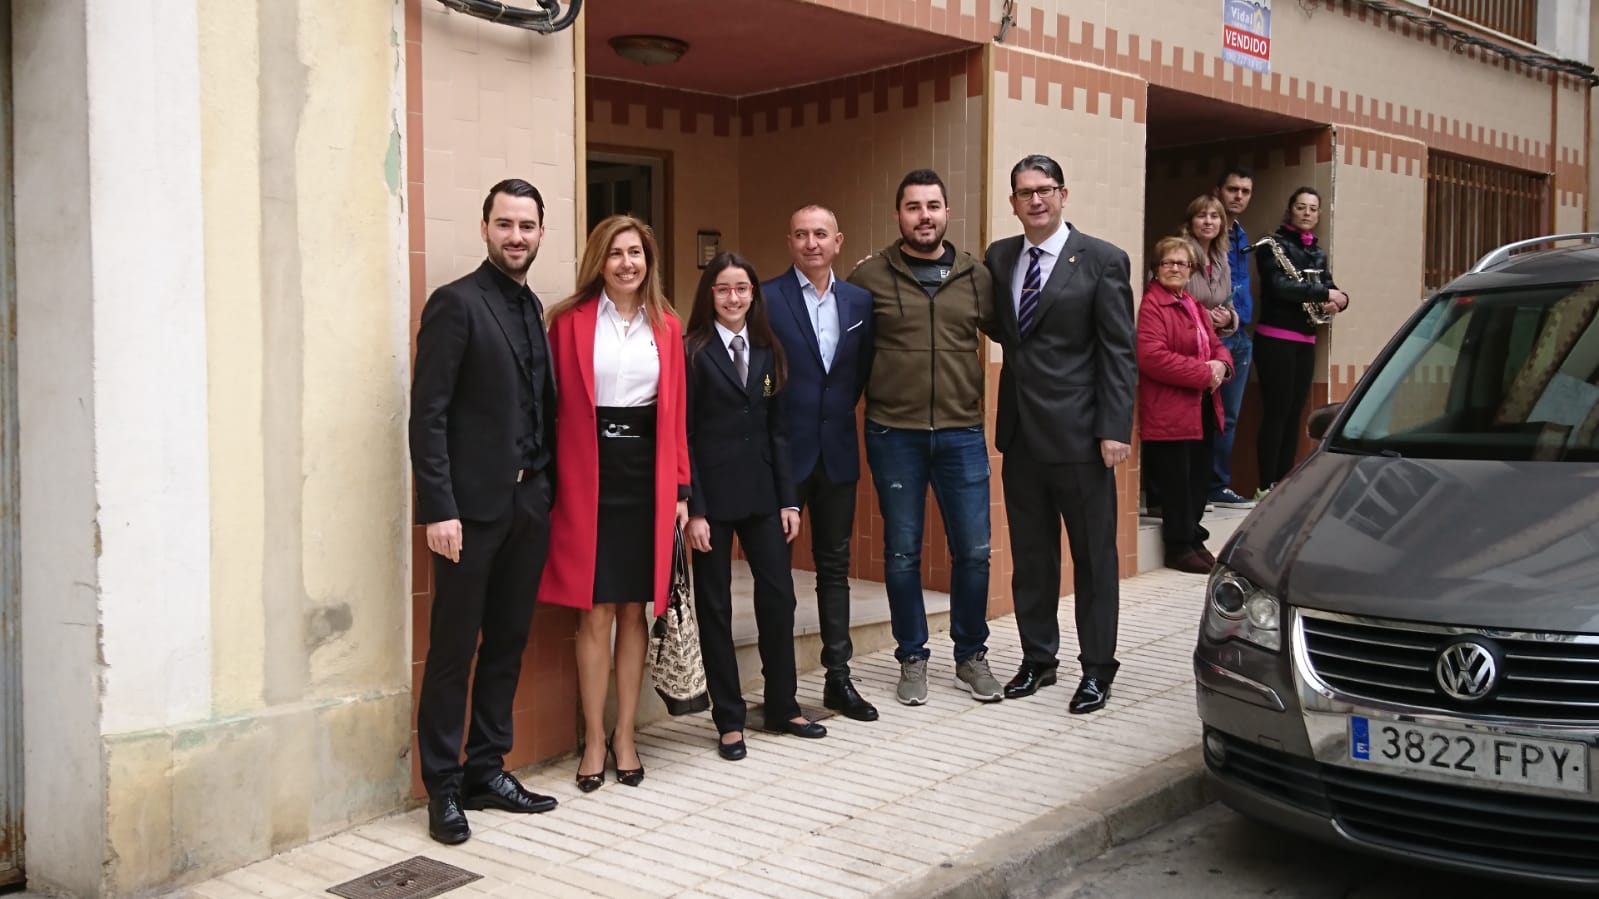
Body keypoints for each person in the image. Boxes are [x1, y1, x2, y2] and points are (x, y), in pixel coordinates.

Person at [409, 179, 561, 845]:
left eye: (527, 225)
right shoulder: (456, 303)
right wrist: (438, 509)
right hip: (467, 516)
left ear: (541, 232)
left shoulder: (534, 309)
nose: (516, 236)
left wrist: (545, 489)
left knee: (506, 642)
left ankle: (486, 769)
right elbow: (428, 415)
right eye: (505, 224)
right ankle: (443, 786)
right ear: (484, 228)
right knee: (453, 650)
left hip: (528, 504)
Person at [539, 214, 690, 793]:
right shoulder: (568, 322)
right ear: (598, 262)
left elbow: (676, 416)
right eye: (616, 253)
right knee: (595, 610)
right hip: (588, 475)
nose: (628, 263)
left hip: (646, 477)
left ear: (649, 262)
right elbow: (550, 410)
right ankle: (595, 739)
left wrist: (681, 490)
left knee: (634, 609)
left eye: (636, 253)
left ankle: (626, 735)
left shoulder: (667, 327)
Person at [982, 154, 1135, 715]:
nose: (1036, 200)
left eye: (1045, 190)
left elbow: (1119, 351)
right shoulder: (1000, 257)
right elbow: (994, 322)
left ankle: (1097, 669)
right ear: (1013, 202)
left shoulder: (1102, 259)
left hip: (1082, 437)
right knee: (1032, 557)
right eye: (1025, 192)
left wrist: (1114, 427)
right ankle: (1038, 659)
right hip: (1021, 433)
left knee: (1094, 559)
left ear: (1063, 195)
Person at [847, 169, 1001, 707]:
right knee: (902, 553)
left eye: (933, 206)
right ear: (899, 215)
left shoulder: (976, 277)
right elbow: (842, 347)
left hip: (962, 434)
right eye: (913, 207)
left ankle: (971, 656)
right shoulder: (869, 276)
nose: (924, 216)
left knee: (974, 553)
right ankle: (911, 657)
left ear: (947, 212)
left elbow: (1021, 335)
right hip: (895, 435)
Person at [684, 253, 827, 761]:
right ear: (710, 295)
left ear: (753, 294)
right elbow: (685, 435)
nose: (733, 297)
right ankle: (729, 719)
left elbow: (779, 430)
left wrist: (789, 499)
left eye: (742, 288)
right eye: (723, 289)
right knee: (715, 606)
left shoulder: (768, 349)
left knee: (779, 597)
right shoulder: (693, 351)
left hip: (765, 495)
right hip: (712, 502)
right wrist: (694, 509)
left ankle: (783, 704)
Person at [762, 206, 878, 722]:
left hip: (837, 454)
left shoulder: (859, 302)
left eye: (821, 235)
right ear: (790, 241)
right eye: (802, 235)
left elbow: (857, 375)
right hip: (782, 457)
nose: (812, 243)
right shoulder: (766, 298)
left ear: (838, 241)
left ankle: (839, 678)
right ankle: (780, 687)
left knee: (834, 568)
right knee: (776, 574)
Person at [1137, 236, 1233, 575]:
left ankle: (1193, 537)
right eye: (1168, 262)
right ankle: (1177, 546)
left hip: (1202, 404)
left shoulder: (1191, 303)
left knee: (1198, 478)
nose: (1175, 268)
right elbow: (1152, 357)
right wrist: (1204, 373)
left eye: (1182, 263)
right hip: (1171, 409)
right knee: (1177, 482)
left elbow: (1217, 345)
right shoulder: (1153, 305)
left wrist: (1222, 366)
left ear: (1191, 270)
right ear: (1156, 268)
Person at [1253, 187, 1349, 496]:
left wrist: (1340, 300)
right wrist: (1323, 293)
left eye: (1313, 208)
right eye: (1301, 207)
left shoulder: (1317, 252)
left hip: (1305, 340)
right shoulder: (1272, 246)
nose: (1307, 213)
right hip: (1275, 339)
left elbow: (1330, 287)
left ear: (1319, 214)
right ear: (1290, 210)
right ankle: (1265, 485)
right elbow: (1279, 287)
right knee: (1277, 413)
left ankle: (1283, 483)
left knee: (1294, 414)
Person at [1209, 167, 1260, 510]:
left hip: (1241, 334)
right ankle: (1200, 485)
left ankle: (1218, 485)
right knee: (1205, 415)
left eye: (1245, 191)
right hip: (1215, 336)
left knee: (1229, 417)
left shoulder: (1241, 234)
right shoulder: (1208, 230)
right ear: (1219, 190)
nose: (1239, 196)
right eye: (1233, 189)